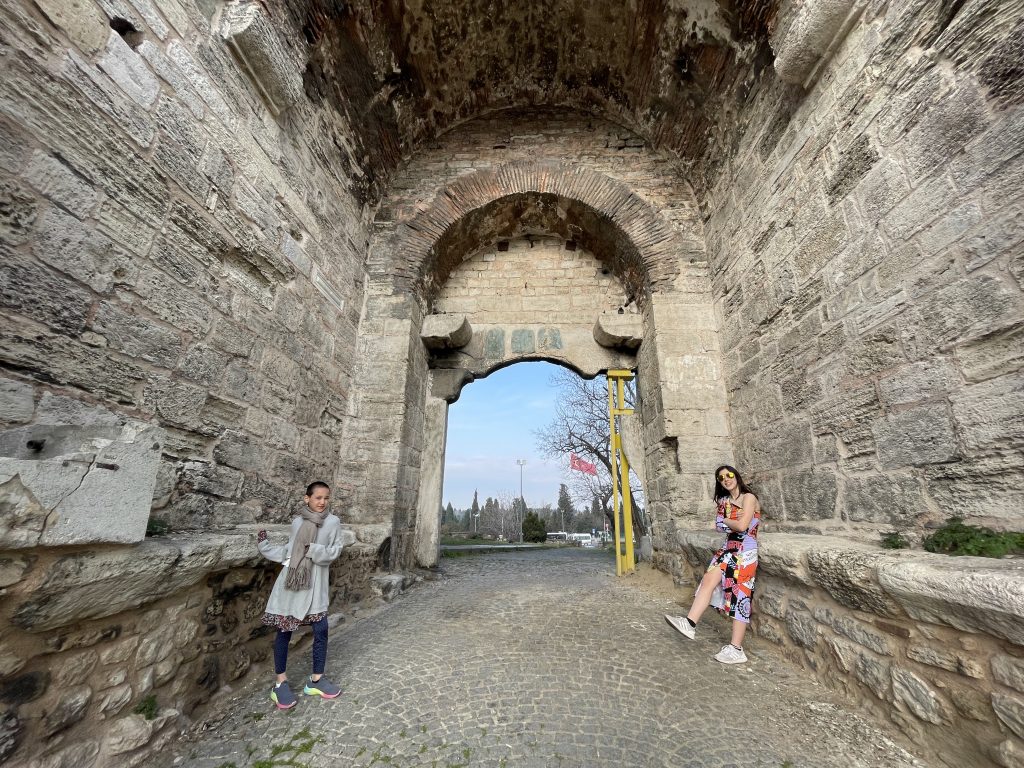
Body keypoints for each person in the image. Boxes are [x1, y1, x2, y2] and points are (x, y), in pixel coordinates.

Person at [257, 481, 346, 709]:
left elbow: (335, 551)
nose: (322, 502)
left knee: (321, 629)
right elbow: (289, 551)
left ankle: (316, 680)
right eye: (318, 498)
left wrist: (314, 549)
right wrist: (265, 547)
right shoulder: (297, 522)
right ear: (307, 498)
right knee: (284, 631)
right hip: (292, 584)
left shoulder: (333, 522)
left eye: (326, 498)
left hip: (316, 585)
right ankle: (281, 683)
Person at [664, 465, 761, 664]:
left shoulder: (748, 497)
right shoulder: (724, 501)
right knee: (708, 580)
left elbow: (741, 526)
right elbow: (719, 527)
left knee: (739, 597)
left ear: (736, 475)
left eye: (729, 475)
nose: (726, 479)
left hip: (745, 552)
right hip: (727, 549)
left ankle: (736, 649)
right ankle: (689, 623)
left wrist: (727, 519)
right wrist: (730, 520)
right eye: (721, 478)